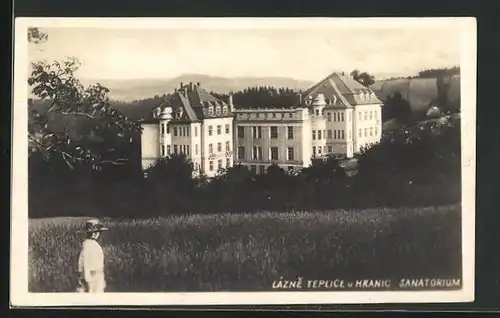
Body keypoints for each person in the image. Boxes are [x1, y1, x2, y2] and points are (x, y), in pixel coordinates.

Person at [76, 218, 108, 293]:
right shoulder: (88, 245)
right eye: (94, 232)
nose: (96, 234)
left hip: (97, 275)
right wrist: (88, 280)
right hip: (92, 277)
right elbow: (85, 263)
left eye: (97, 232)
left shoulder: (93, 244)